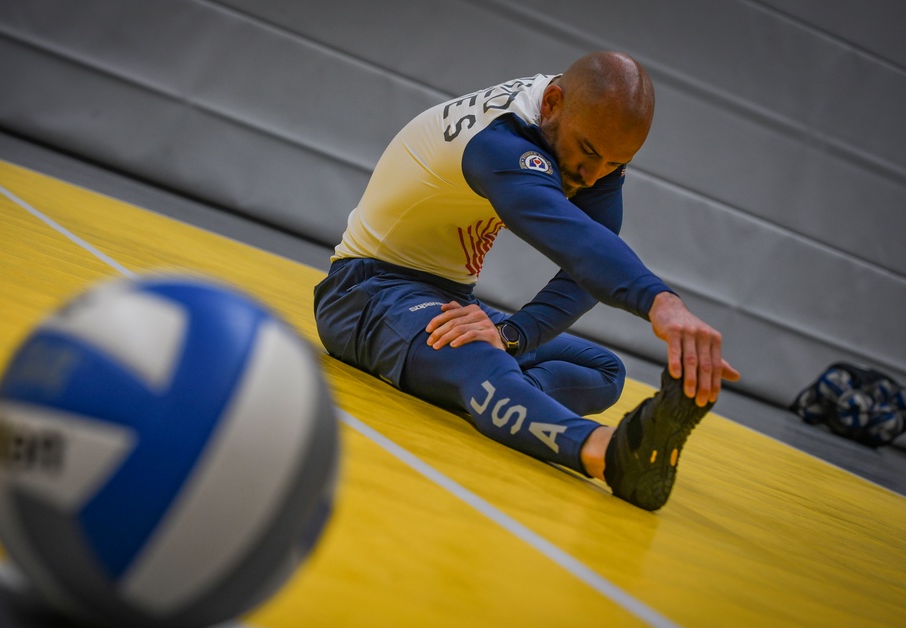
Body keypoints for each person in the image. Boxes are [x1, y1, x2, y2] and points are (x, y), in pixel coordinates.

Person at [314, 51, 740, 510]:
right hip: (363, 293)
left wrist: (512, 335)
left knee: (605, 370)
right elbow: (577, 242)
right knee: (478, 361)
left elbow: (587, 265)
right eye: (591, 153)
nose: (594, 175)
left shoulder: (579, 132)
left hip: (448, 299)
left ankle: (492, 392)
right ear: (553, 102)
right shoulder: (498, 141)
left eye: (618, 164)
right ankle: (607, 453)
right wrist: (662, 303)